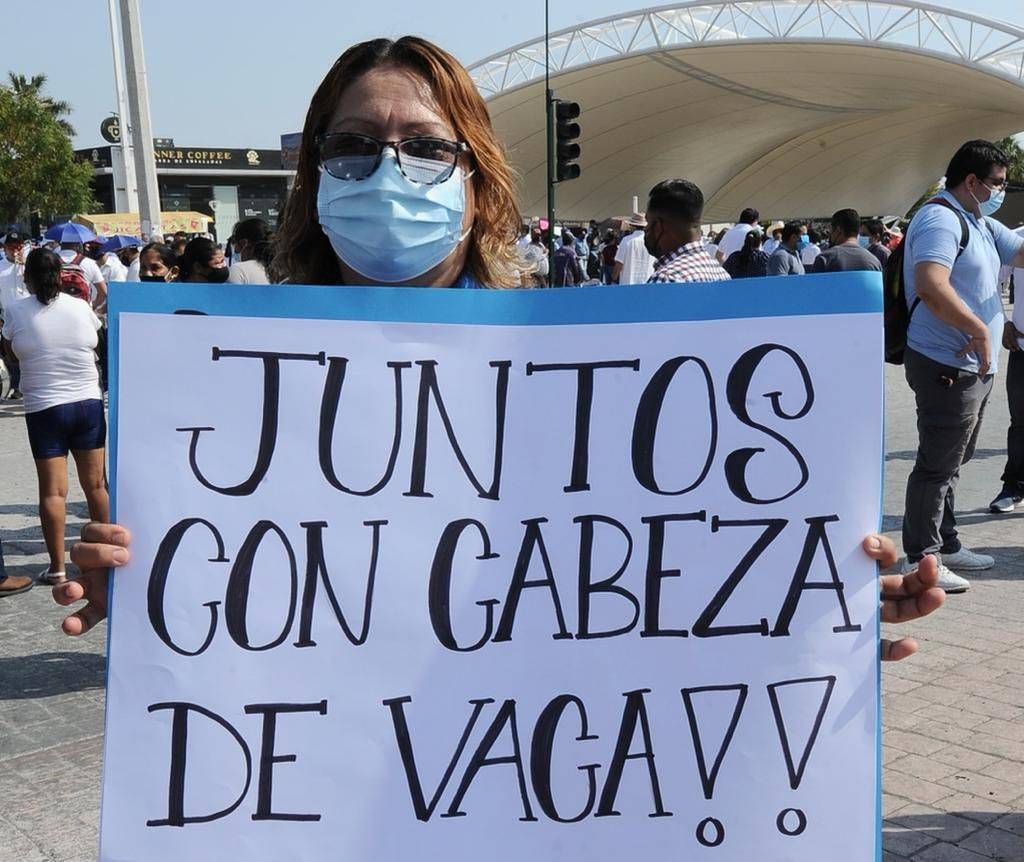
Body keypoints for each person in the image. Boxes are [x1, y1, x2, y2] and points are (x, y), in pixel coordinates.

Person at [51, 37, 944, 662]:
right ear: (314, 176)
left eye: (425, 148)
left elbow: (669, 571)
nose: (388, 170)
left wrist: (814, 607)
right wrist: (145, 582)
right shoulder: (226, 383)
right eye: (354, 146)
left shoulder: (591, 376)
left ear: (477, 183)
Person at [900, 139, 1024, 592]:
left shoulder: (979, 221)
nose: (1001, 191)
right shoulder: (940, 218)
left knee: (954, 458)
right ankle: (921, 558)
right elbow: (930, 284)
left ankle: (946, 543)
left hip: (972, 366)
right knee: (936, 464)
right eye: (997, 183)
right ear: (971, 181)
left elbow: (1021, 253)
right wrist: (976, 329)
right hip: (945, 362)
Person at [1, 248, 109, 586]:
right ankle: (106, 560)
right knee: (96, 486)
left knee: (52, 492)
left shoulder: (16, 311)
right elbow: (97, 343)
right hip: (87, 403)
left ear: (27, 278)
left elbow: (10, 353)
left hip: (44, 407)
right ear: (62, 276)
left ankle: (57, 567)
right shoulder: (80, 306)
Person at [644, 179, 730, 284]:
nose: (646, 229)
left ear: (658, 227)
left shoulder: (666, 278)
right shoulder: (722, 274)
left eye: (648, 222)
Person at [0, 232, 30, 400]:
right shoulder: (1, 267)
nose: (15, 251)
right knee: (11, 352)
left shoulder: (28, 265)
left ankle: (26, 384)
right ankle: (16, 385)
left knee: (27, 351)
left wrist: (24, 266)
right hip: (8, 317)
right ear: (5, 249)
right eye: (11, 247)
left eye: (18, 247)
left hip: (29, 316)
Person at [812, 210, 882, 273]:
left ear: (838, 230)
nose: (830, 234)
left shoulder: (825, 259)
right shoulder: (874, 262)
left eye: (831, 229)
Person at [227, 218, 273, 284]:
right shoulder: (282, 269)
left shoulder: (238, 270)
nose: (236, 251)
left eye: (235, 244)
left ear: (244, 243)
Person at [612, 214, 655, 284]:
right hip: (647, 284)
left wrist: (614, 278)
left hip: (628, 284)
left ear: (633, 226)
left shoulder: (626, 241)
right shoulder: (652, 242)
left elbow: (619, 264)